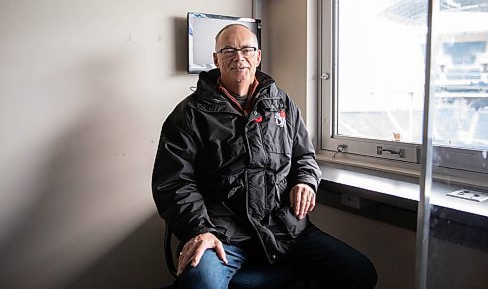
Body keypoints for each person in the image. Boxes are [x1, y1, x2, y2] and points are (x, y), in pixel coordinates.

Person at [152, 24, 377, 289]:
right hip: (222, 233)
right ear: (215, 59)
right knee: (200, 283)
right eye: (229, 51)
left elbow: (304, 156)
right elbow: (174, 183)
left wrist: (305, 181)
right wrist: (199, 229)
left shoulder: (282, 104)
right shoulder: (188, 114)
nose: (239, 57)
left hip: (284, 228)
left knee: (360, 272)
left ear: (258, 56)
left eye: (247, 49)